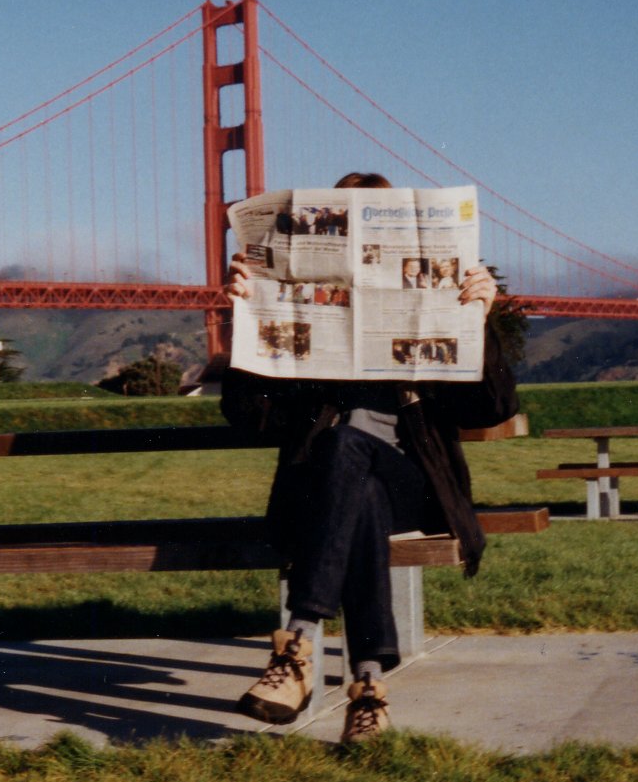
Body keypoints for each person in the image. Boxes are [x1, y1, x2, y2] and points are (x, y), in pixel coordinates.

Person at [221, 171, 516, 743]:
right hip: (334, 493)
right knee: (355, 483)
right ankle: (369, 690)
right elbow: (250, 415)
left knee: (345, 447)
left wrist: (480, 321)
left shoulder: (442, 302)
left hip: (416, 488)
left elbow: (489, 409)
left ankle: (299, 644)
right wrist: (245, 317)